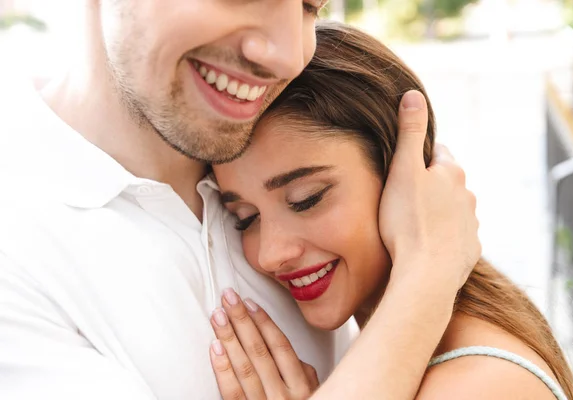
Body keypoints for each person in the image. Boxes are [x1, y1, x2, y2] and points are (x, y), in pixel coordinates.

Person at [0, 2, 479, 399]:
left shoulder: (273, 157)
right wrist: (427, 275)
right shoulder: (17, 248)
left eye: (313, 6)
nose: (289, 56)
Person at [209, 21, 573, 400]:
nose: (271, 254)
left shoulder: (479, 385)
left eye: (307, 199)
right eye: (245, 219)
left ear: (401, 177)